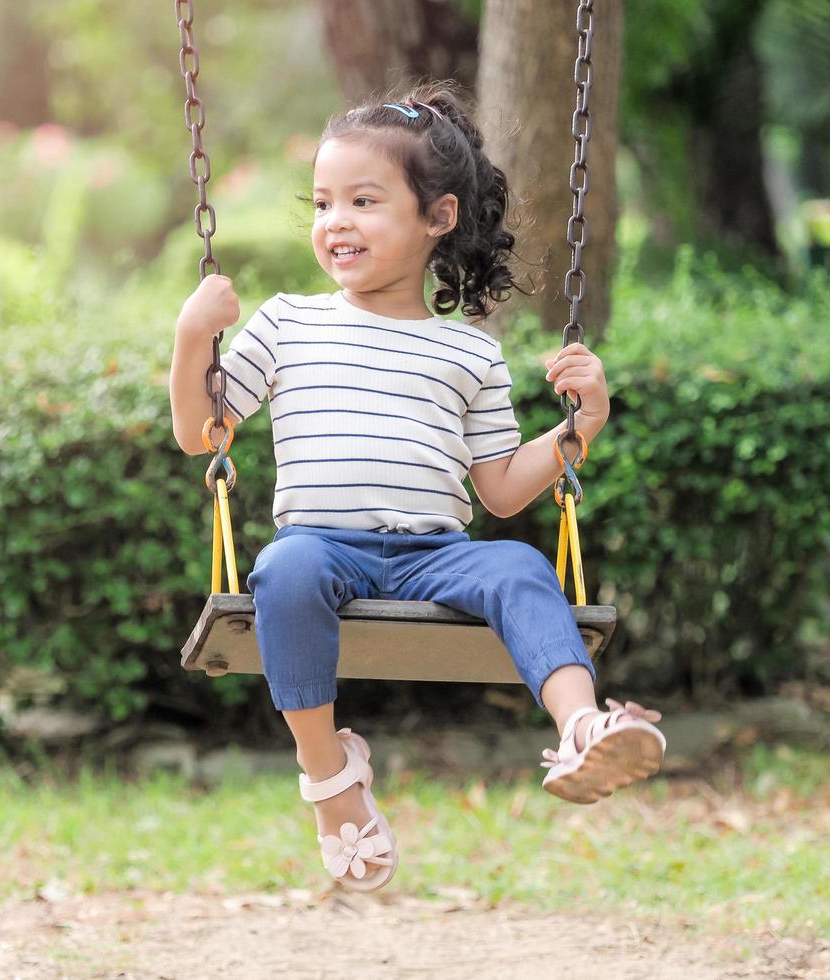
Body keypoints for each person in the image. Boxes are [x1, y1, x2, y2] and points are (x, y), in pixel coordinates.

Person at [168, 82, 666, 893]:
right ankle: (329, 776)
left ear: (436, 218)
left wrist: (581, 426)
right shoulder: (289, 321)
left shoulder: (469, 355)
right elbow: (202, 433)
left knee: (517, 567)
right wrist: (194, 336)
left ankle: (580, 727)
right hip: (319, 546)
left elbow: (500, 491)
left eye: (364, 200)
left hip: (437, 555)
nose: (335, 221)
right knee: (281, 573)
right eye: (323, 201)